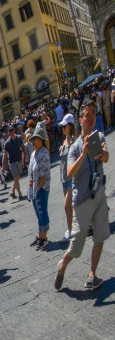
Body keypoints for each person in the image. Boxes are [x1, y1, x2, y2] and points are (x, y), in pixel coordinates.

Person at [55, 99, 110, 292]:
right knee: (77, 246)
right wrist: (84, 151)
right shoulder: (76, 146)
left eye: (94, 113)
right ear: (81, 118)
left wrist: (101, 153)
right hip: (82, 200)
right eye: (88, 114)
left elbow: (107, 157)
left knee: (101, 235)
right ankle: (63, 265)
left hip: (99, 194)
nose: (91, 117)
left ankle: (92, 275)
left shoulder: (100, 136)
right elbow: (70, 173)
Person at [28, 124, 52, 250]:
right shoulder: (34, 153)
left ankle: (44, 237)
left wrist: (37, 187)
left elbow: (44, 175)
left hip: (41, 188)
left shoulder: (44, 154)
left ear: (41, 140)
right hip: (34, 189)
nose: (33, 142)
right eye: (32, 139)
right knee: (38, 213)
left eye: (35, 139)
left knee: (42, 212)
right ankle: (40, 236)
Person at [60, 113, 79, 240]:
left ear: (70, 126)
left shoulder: (75, 140)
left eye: (64, 126)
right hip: (64, 178)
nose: (62, 129)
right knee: (71, 206)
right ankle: (74, 227)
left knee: (67, 206)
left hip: (72, 177)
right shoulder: (65, 141)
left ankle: (70, 230)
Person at [3, 127, 26, 201]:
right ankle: (20, 194)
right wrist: (3, 166)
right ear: (8, 133)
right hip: (12, 162)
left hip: (19, 160)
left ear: (14, 130)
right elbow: (5, 155)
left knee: (17, 178)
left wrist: (25, 153)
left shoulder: (19, 138)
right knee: (16, 178)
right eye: (9, 131)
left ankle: (12, 191)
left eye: (12, 130)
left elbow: (22, 146)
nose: (11, 131)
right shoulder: (7, 143)